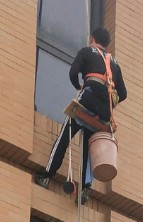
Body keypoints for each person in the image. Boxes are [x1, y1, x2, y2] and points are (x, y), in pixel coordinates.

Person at [34, 27, 127, 204]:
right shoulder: (115, 64)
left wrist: (79, 87)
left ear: (92, 38)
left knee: (64, 138)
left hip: (88, 97)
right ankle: (85, 189)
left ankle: (47, 176)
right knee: (88, 147)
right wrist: (109, 103)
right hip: (104, 111)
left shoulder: (86, 51)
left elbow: (73, 73)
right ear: (107, 44)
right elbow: (123, 93)